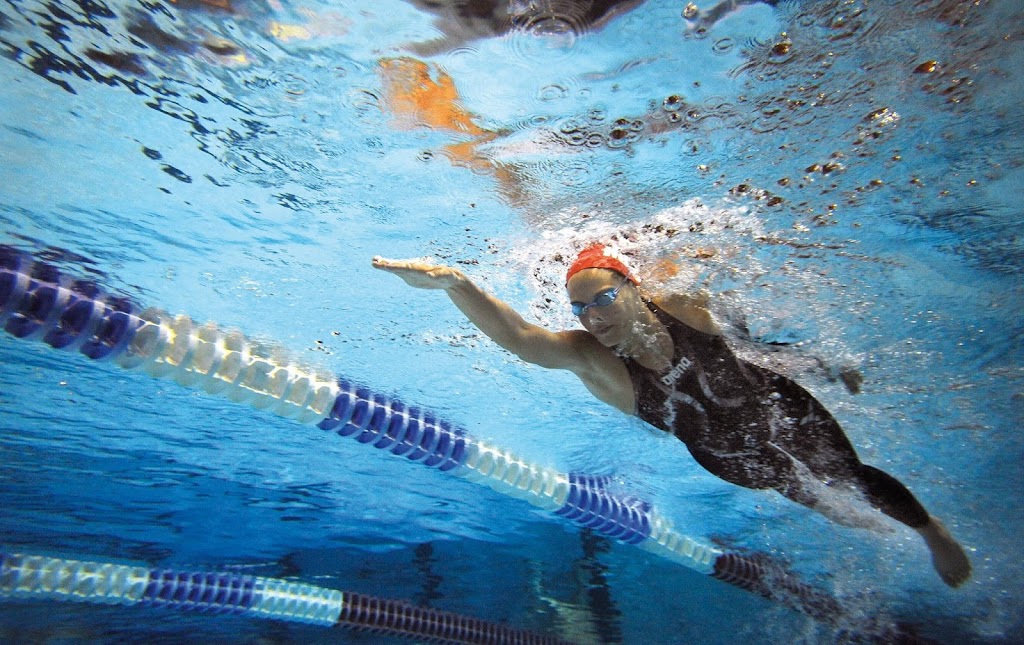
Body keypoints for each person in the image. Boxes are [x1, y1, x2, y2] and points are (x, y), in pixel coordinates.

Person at [372, 244, 972, 587]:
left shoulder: (684, 307)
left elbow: (756, 339)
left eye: (604, 298)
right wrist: (456, 284)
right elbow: (523, 337)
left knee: (850, 475)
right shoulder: (592, 360)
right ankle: (839, 510)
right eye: (580, 308)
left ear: (633, 288)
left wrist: (822, 364)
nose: (593, 316)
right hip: (723, 455)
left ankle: (930, 532)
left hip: (778, 404)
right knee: (806, 492)